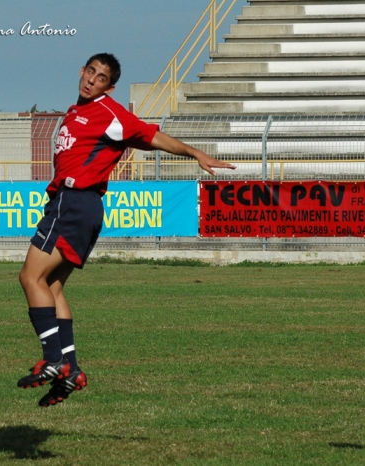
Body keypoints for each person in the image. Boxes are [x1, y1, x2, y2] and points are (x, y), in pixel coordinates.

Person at [17, 53, 235, 407]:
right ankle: (70, 368)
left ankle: (53, 359)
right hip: (80, 206)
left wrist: (194, 152)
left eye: (101, 77)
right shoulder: (75, 113)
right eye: (90, 71)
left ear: (110, 86)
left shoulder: (109, 113)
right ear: (81, 70)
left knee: (30, 278)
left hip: (74, 202)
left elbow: (152, 136)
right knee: (52, 286)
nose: (92, 80)